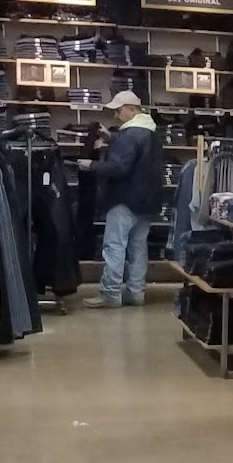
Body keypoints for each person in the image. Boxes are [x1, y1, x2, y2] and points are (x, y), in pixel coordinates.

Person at [84, 91, 164, 310]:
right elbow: (137, 155)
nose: (116, 116)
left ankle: (110, 293)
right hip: (147, 201)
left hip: (124, 199)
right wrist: (112, 138)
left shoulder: (129, 135)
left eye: (118, 111)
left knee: (114, 246)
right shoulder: (152, 132)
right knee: (138, 248)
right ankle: (136, 292)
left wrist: (91, 165)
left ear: (131, 109)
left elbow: (119, 168)